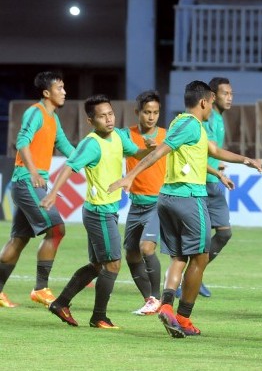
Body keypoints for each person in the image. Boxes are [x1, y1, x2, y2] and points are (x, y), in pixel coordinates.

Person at [108, 80, 262, 338]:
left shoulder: (181, 123)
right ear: (204, 102)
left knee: (179, 257)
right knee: (200, 257)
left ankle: (167, 306)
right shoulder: (192, 125)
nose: (213, 107)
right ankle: (183, 316)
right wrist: (131, 175)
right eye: (212, 102)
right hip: (189, 197)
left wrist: (246, 160)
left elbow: (210, 151)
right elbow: (160, 152)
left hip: (167, 198)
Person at [42, 95, 153, 328]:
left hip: (107, 210)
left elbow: (136, 153)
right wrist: (53, 193)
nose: (109, 119)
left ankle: (60, 303)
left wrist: (149, 149)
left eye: (110, 114)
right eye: (102, 116)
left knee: (97, 266)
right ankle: (99, 317)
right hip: (99, 212)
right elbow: (69, 167)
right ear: (91, 121)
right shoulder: (91, 143)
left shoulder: (119, 137)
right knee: (112, 264)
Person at [0, 72, 74, 310]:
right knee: (57, 229)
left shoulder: (53, 119)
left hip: (29, 183)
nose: (64, 92)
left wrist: (91, 160)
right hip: (27, 182)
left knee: (18, 239)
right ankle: (41, 288)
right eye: (59, 88)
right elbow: (21, 142)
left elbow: (64, 146)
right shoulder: (36, 112)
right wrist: (33, 172)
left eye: (64, 88)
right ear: (46, 93)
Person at [124, 90, 167, 315]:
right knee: (131, 254)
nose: (151, 117)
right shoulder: (125, 135)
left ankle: (157, 297)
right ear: (137, 112)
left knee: (146, 247)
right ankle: (150, 300)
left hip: (158, 203)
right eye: (147, 112)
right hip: (135, 204)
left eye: (156, 112)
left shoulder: (167, 136)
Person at [194, 76, 236, 298]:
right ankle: (187, 278)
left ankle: (196, 273)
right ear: (212, 96)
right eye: (225, 94)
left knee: (224, 232)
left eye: (231, 94)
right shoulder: (208, 118)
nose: (229, 98)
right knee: (197, 237)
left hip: (214, 183)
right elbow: (208, 149)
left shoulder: (219, 118)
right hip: (202, 183)